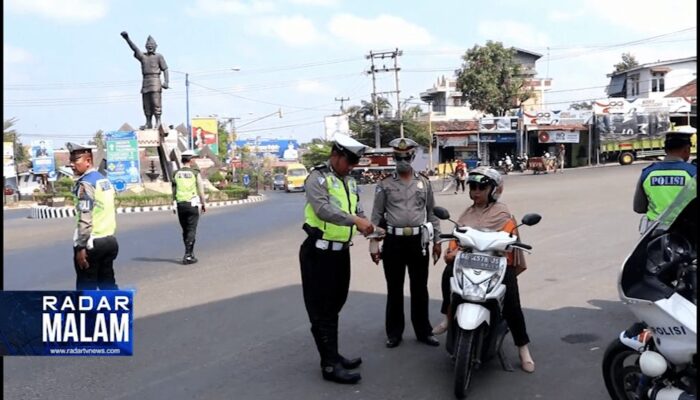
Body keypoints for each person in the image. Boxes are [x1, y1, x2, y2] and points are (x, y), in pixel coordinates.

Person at [432, 166, 535, 373]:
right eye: (473, 186)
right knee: (447, 276)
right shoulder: (466, 213)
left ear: (493, 190)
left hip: (495, 264)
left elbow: (509, 241)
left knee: (512, 300)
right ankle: (448, 316)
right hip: (468, 262)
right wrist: (452, 252)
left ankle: (522, 348)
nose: (476, 191)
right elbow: (455, 238)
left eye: (481, 187)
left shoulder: (503, 214)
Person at [300, 134, 374, 384]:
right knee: (321, 310)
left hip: (340, 252)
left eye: (355, 162)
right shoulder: (317, 178)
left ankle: (333, 354)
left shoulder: (350, 181)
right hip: (318, 253)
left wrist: (366, 224)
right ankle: (329, 365)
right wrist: (355, 221)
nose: (351, 166)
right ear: (335, 155)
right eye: (349, 161)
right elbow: (323, 209)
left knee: (335, 305)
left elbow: (357, 209)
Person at [370, 138, 442, 349]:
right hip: (393, 241)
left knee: (420, 288)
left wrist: (437, 239)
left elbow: (431, 212)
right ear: (393, 158)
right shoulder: (384, 184)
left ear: (413, 157)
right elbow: (376, 215)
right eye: (398, 157)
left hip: (418, 241)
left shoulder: (424, 182)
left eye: (406, 157)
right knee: (394, 288)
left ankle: (423, 331)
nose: (402, 161)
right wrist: (373, 243)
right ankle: (394, 333)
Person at [67, 142, 119, 290]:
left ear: (88, 161)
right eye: (71, 160)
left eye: (75, 160)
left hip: (91, 243)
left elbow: (85, 217)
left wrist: (81, 247)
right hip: (109, 241)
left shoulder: (85, 184)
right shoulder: (104, 180)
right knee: (108, 284)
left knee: (86, 288)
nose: (71, 164)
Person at [633, 130, 696, 234]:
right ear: (686, 149)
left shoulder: (648, 173)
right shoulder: (693, 173)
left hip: (654, 231)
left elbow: (639, 208)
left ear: (665, 150)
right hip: (686, 232)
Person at [121, 31, 169, 130]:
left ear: (155, 46)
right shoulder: (143, 57)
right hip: (146, 82)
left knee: (156, 103)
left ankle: (158, 121)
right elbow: (134, 48)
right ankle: (148, 122)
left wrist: (166, 82)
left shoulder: (159, 56)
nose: (150, 46)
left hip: (155, 81)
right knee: (146, 104)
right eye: (148, 45)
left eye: (152, 45)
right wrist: (127, 39)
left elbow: (165, 69)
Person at [172, 150, 207, 264]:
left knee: (185, 230)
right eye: (194, 158)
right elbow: (201, 190)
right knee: (191, 229)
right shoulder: (195, 173)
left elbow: (173, 190)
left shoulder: (176, 173)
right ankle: (188, 254)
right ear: (190, 160)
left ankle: (189, 253)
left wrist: (173, 203)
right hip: (192, 204)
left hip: (180, 205)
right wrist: (203, 203)